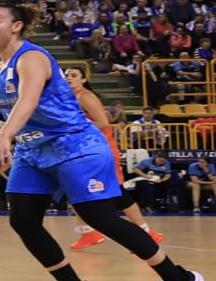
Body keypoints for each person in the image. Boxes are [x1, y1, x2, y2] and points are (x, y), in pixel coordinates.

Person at [0, 4, 204, 281]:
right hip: (34, 152)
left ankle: (179, 280)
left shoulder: (32, 57)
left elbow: (28, 101)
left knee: (100, 218)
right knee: (23, 220)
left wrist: (4, 136)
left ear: (16, 26)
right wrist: (17, 141)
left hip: (75, 146)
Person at [61, 66, 161, 250]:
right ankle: (88, 232)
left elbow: (103, 123)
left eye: (74, 75)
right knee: (74, 187)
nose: (69, 78)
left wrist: (74, 129)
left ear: (83, 80)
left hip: (103, 149)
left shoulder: (85, 96)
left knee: (117, 191)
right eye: (66, 75)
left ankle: (146, 232)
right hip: (85, 150)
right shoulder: (69, 97)